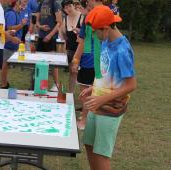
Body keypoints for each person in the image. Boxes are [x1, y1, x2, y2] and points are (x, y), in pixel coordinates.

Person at [81, 5, 137, 170]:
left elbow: (131, 85)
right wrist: (93, 87)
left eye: (95, 32)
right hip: (97, 104)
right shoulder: (105, 42)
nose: (94, 36)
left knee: (101, 153)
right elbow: (106, 72)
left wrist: (102, 98)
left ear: (105, 29)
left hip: (111, 108)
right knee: (89, 145)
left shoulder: (122, 50)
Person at [71, 0, 104, 130]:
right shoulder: (89, 19)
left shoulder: (94, 18)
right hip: (93, 61)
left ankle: (84, 120)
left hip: (92, 61)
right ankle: (87, 116)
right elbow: (82, 41)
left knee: (87, 94)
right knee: (90, 92)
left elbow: (82, 42)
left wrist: (75, 60)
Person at [36, 0, 63, 92]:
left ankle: (56, 85)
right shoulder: (41, 4)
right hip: (41, 37)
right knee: (39, 61)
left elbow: (59, 22)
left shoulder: (55, 4)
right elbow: (37, 21)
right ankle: (39, 83)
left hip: (51, 38)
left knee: (52, 62)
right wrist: (40, 27)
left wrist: (50, 35)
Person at [59, 0, 84, 93]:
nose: (68, 9)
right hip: (70, 50)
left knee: (82, 73)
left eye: (69, 6)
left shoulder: (81, 17)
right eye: (65, 7)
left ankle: (84, 94)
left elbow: (87, 34)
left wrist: (79, 31)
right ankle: (70, 93)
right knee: (72, 73)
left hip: (81, 50)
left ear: (74, 5)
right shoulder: (65, 19)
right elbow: (63, 34)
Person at [1, 0, 25, 89]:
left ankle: (4, 82)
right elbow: (10, 28)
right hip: (9, 44)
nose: (23, 6)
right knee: (5, 65)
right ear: (17, 4)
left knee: (6, 65)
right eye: (22, 4)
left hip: (12, 44)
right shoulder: (11, 14)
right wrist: (21, 25)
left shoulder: (16, 13)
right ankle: (3, 84)